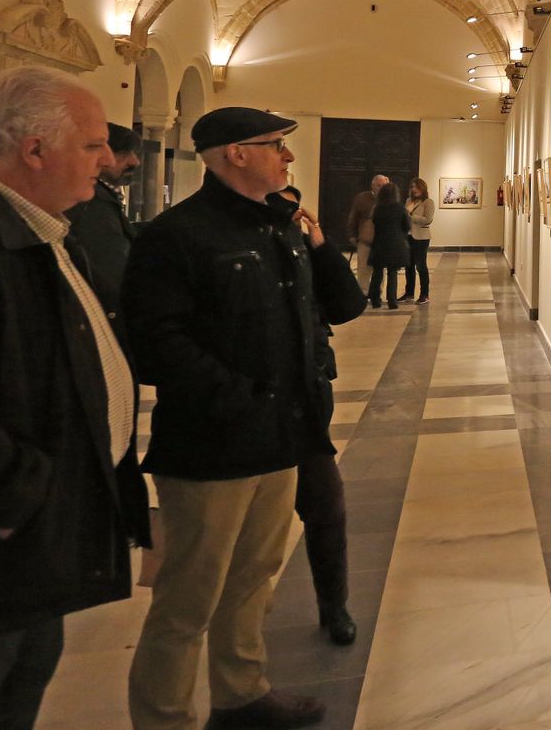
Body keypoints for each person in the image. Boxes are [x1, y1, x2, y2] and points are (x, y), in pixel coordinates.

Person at [0, 66, 147, 730]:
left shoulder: (40, 226)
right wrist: (19, 492)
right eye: (92, 143)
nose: (107, 160)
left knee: (17, 698)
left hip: (26, 552)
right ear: (35, 149)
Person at [124, 107, 343, 730]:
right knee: (187, 599)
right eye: (277, 145)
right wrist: (237, 397)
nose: (288, 157)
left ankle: (242, 693)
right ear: (236, 154)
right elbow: (157, 341)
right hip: (210, 447)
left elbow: (319, 317)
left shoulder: (278, 228)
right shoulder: (177, 235)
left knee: (254, 579)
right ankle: (164, 717)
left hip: (281, 440)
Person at [275, 186, 366, 645]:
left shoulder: (303, 249)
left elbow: (348, 306)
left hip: (309, 400)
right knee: (249, 531)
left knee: (327, 508)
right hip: (250, 409)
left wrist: (320, 246)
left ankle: (334, 606)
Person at [64, 121, 143, 329]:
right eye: (124, 153)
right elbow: (109, 268)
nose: (134, 161)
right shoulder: (93, 204)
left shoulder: (100, 201)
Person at [366, 181, 411, 311]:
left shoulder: (377, 208)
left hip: (379, 243)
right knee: (392, 273)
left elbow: (374, 223)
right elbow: (407, 226)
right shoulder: (400, 208)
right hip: (395, 244)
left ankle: (375, 300)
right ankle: (392, 301)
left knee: (377, 272)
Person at [344, 174, 387, 292]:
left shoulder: (390, 199)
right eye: (379, 185)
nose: (381, 188)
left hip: (382, 240)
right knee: (363, 268)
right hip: (365, 239)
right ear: (372, 185)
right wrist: (352, 234)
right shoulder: (362, 198)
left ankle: (377, 292)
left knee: (380, 268)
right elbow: (353, 217)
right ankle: (363, 292)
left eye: (384, 185)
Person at [401, 177, 433, 304]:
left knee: (421, 266)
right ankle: (409, 293)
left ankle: (424, 294)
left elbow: (428, 219)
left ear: (422, 188)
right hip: (408, 236)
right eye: (412, 187)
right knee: (408, 266)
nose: (413, 189)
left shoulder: (428, 202)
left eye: (415, 187)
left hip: (421, 237)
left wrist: (411, 216)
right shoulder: (408, 200)